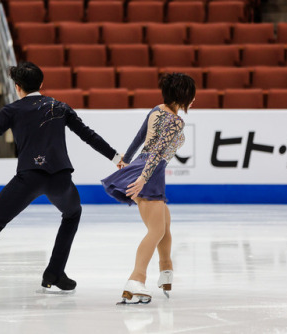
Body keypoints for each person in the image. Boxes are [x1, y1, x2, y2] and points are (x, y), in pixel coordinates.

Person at [0, 62, 121, 303]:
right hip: (60, 179)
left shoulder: (11, 110)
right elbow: (88, 136)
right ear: (41, 85)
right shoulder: (59, 106)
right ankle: (54, 272)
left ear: (17, 87)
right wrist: (117, 158)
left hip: (29, 179)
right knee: (72, 214)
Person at [101, 72, 196, 304]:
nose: (194, 100)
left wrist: (126, 160)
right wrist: (144, 177)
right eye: (192, 95)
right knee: (156, 231)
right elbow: (158, 151)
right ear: (183, 96)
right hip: (151, 171)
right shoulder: (176, 121)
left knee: (164, 225)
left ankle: (166, 269)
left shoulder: (156, 109)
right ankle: (136, 279)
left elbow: (139, 139)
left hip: (145, 167)